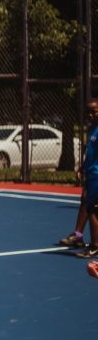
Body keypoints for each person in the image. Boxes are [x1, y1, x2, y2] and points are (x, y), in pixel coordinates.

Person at [76, 99, 98, 261]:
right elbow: (90, 153)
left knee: (93, 210)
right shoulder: (92, 130)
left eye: (94, 111)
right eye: (88, 112)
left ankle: (95, 246)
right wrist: (83, 167)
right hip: (91, 174)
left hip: (97, 175)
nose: (91, 115)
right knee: (90, 208)